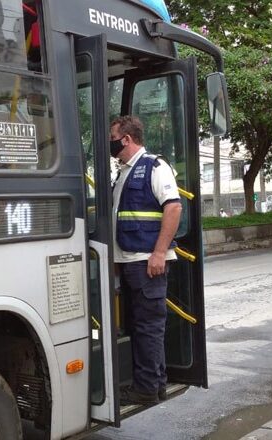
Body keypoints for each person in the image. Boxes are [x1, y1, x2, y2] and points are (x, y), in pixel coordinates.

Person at [109, 115, 182, 405]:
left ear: (126, 139)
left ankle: (146, 389)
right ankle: (156, 384)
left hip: (146, 262)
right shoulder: (124, 172)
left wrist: (160, 253)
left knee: (147, 327)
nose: (110, 142)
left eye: (113, 136)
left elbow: (173, 208)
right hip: (129, 261)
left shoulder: (154, 166)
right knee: (142, 326)